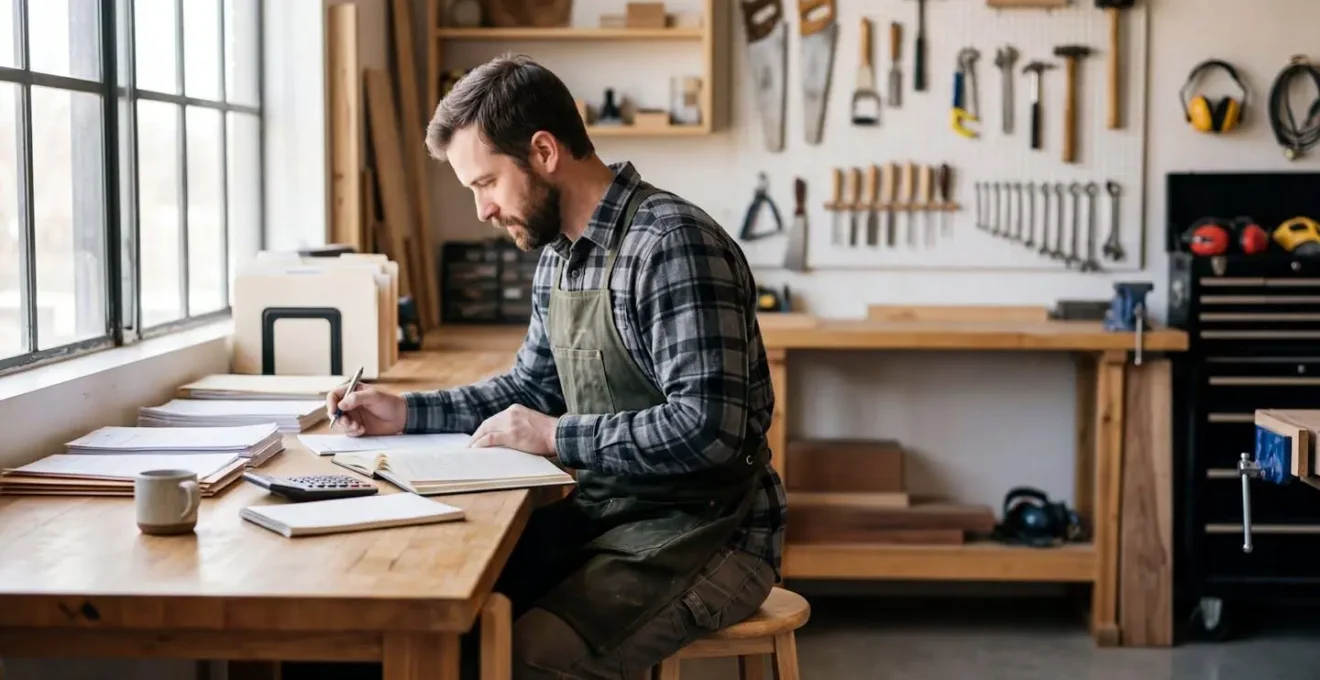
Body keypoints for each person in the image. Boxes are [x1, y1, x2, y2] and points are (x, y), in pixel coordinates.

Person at [326, 54, 787, 680]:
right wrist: (404, 412)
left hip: (711, 535)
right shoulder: (560, 256)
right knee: (434, 612)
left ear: (544, 152)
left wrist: (553, 435)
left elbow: (707, 429)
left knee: (530, 657)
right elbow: (529, 387)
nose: (482, 210)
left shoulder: (671, 245)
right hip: (611, 517)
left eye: (485, 183)